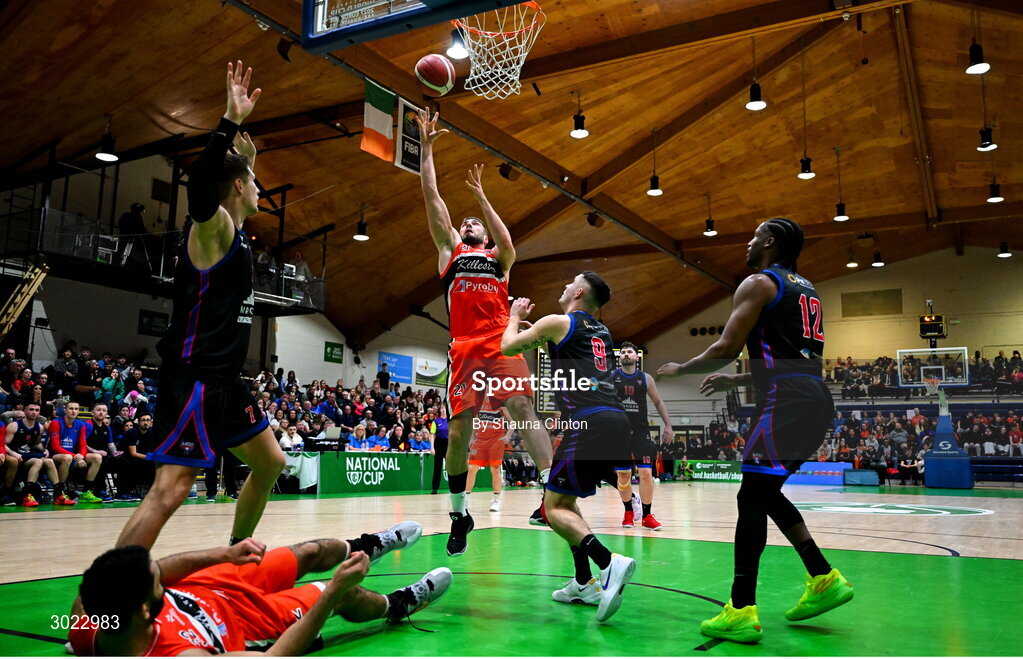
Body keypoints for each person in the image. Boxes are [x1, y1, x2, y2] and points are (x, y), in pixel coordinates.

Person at [657, 217, 852, 643]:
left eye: (751, 236)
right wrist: (740, 382)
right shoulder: (808, 289)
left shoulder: (759, 283)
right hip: (814, 397)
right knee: (766, 492)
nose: (746, 244)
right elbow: (795, 360)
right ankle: (823, 577)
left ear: (768, 241)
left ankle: (741, 608)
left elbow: (726, 347)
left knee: (751, 496)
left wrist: (682, 368)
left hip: (786, 402)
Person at [116, 61, 285, 550]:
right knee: (170, 490)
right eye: (252, 182)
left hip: (225, 382)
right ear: (235, 187)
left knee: (270, 461)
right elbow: (199, 183)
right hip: (195, 377)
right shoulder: (214, 230)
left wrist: (247, 159)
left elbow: (226, 178)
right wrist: (229, 120)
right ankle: (102, 601)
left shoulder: (236, 232)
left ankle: (236, 552)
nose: (259, 189)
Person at [416, 109, 554, 555]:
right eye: (466, 221)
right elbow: (432, 196)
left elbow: (509, 242)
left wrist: (482, 199)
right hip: (465, 348)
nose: (469, 224)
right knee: (459, 433)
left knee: (520, 405)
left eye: (475, 223)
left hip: (500, 341)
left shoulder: (499, 258)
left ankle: (551, 491)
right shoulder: (449, 251)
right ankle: (460, 512)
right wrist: (429, 147)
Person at [70, 522, 452, 656]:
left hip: (215, 582)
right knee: (343, 594)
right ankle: (398, 604)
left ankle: (368, 545)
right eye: (157, 583)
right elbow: (276, 656)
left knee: (310, 551)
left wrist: (223, 553)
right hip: (242, 621)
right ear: (141, 611)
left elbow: (159, 570)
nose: (161, 575)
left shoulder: (89, 620)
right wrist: (333, 590)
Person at [501, 271, 635, 624]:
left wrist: (515, 317)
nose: (562, 287)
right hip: (614, 418)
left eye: (568, 283)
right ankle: (582, 582)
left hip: (588, 419)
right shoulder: (602, 332)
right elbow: (565, 348)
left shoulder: (559, 321)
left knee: (551, 508)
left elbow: (508, 346)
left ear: (578, 292)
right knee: (566, 501)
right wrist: (542, 335)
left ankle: (608, 562)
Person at [610, 341, 673, 531]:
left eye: (630, 352)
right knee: (623, 475)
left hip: (641, 432)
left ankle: (647, 515)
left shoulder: (646, 378)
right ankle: (628, 511)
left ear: (637, 357)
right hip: (618, 433)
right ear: (619, 357)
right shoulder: (611, 377)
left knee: (646, 473)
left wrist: (668, 425)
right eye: (623, 352)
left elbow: (658, 402)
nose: (626, 354)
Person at [2, 402, 58, 506]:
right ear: (24, 411)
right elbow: (3, 445)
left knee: (49, 461)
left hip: (27, 457)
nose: (34, 412)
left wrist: (44, 450)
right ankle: (27, 495)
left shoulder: (39, 427)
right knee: (37, 461)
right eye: (31, 409)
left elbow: (37, 444)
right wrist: (13, 453)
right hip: (15, 457)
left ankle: (58, 494)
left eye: (36, 410)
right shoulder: (14, 426)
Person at [49, 401, 104, 504]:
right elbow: (55, 447)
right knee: (67, 458)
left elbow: (83, 445)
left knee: (97, 457)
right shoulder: (56, 423)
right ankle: (59, 493)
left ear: (78, 411)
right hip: (56, 457)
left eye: (76, 409)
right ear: (65, 410)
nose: (73, 411)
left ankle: (86, 492)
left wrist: (81, 456)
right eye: (71, 408)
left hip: (73, 457)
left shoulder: (81, 424)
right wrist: (75, 456)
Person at [466, 401, 511, 512]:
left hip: (496, 439)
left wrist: (508, 435)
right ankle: (465, 500)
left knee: (495, 469)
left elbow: (513, 422)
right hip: (480, 439)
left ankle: (496, 500)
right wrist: (472, 438)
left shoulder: (500, 403)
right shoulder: (478, 403)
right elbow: (476, 422)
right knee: (471, 468)